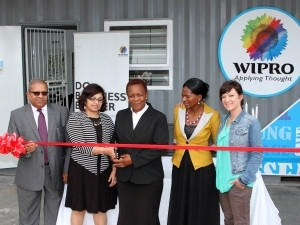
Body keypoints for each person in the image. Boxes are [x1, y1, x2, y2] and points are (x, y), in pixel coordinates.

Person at [7, 78, 71, 225]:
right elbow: (12, 145)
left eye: (44, 92)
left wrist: (66, 169)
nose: (41, 96)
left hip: (55, 172)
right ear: (28, 94)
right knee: (28, 216)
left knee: (54, 215)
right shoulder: (17, 115)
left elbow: (68, 144)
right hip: (29, 172)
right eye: (36, 93)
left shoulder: (61, 112)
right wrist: (24, 149)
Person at [112, 78, 169, 225]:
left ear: (146, 95)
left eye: (139, 95)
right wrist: (115, 158)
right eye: (131, 96)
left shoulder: (158, 117)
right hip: (125, 178)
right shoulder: (121, 115)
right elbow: (115, 141)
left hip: (149, 179)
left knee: (147, 218)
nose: (136, 99)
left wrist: (133, 159)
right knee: (126, 218)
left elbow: (161, 146)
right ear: (127, 96)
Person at [167, 78, 220, 225]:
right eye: (182, 95)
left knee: (200, 206)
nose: (184, 99)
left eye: (188, 96)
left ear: (199, 97)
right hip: (180, 166)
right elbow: (177, 138)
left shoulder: (213, 115)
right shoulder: (178, 110)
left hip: (202, 169)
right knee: (180, 204)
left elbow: (217, 143)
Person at [65, 83, 117, 225]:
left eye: (100, 99)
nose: (96, 102)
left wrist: (114, 169)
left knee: (101, 210)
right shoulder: (75, 118)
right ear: (85, 100)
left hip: (104, 171)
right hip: (81, 170)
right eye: (92, 98)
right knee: (78, 209)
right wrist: (105, 150)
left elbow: (115, 145)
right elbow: (79, 145)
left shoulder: (107, 119)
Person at [216, 80, 263, 225]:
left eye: (231, 95)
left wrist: (243, 179)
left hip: (238, 181)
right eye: (223, 96)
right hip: (222, 182)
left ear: (240, 97)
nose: (226, 100)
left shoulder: (250, 122)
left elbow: (257, 153)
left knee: (240, 222)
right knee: (228, 220)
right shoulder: (224, 120)